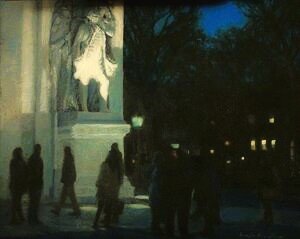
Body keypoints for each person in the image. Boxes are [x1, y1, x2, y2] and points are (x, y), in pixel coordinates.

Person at [161, 144, 193, 238]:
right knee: (182, 214)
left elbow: (164, 181)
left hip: (171, 193)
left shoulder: (168, 164)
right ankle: (183, 232)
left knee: (170, 214)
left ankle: (169, 232)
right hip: (182, 194)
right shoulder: (185, 166)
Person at [93, 143, 124, 229]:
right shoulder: (116, 167)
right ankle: (105, 222)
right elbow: (118, 178)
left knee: (102, 206)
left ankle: (99, 222)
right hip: (110, 189)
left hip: (105, 189)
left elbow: (101, 177)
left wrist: (100, 184)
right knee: (106, 206)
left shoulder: (106, 165)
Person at [51, 146, 81, 216]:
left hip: (68, 181)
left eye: (64, 151)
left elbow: (67, 170)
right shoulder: (69, 158)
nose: (64, 152)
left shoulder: (68, 159)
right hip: (68, 180)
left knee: (70, 196)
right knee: (64, 196)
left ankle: (76, 211)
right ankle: (58, 210)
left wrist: (66, 179)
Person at [9, 147, 28, 225]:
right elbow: (13, 174)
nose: (21, 153)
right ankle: (16, 217)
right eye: (20, 152)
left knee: (17, 201)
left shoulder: (19, 162)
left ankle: (18, 217)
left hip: (18, 184)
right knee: (16, 201)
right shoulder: (16, 162)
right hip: (16, 184)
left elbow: (25, 172)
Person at [27, 144, 44, 225]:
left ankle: (34, 218)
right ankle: (31, 219)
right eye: (38, 149)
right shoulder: (34, 159)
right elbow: (31, 172)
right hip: (34, 183)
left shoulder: (36, 159)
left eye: (39, 149)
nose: (39, 151)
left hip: (36, 183)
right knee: (33, 202)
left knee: (35, 202)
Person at [148, 151, 164, 235]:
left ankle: (155, 228)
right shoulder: (159, 169)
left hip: (153, 191)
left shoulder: (153, 167)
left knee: (155, 212)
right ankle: (155, 228)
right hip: (156, 192)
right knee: (157, 212)